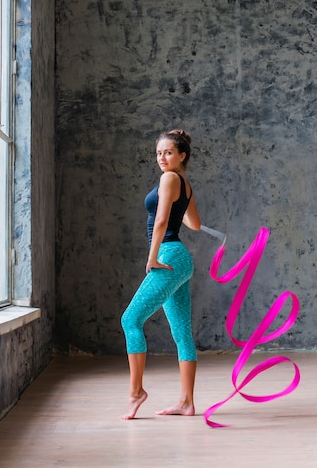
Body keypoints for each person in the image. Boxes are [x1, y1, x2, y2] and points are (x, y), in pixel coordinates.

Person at [120, 129, 201, 420]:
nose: (162, 158)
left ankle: (135, 392)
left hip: (167, 255)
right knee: (182, 334)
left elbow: (164, 220)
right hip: (181, 259)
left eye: (168, 152)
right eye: (158, 153)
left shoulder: (169, 179)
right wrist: (181, 206)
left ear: (182, 156)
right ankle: (187, 402)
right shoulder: (185, 184)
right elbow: (194, 223)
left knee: (130, 320)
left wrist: (152, 256)